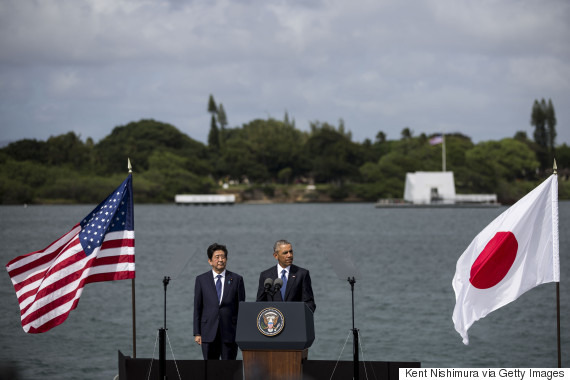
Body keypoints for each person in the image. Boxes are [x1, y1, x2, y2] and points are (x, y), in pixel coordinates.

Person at [193, 243, 246, 360]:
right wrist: (197, 333)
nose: (220, 260)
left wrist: (240, 333)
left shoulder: (237, 279)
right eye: (217, 257)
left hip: (229, 333)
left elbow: (241, 308)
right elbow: (198, 307)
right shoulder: (201, 280)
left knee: (229, 369)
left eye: (223, 257)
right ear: (210, 261)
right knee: (210, 370)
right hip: (208, 332)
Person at [256, 239, 316, 313]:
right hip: (273, 322)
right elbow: (259, 303)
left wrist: (301, 316)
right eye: (285, 253)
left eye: (291, 251)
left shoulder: (302, 274)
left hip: (295, 320)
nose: (289, 255)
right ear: (276, 255)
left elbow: (309, 303)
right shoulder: (266, 276)